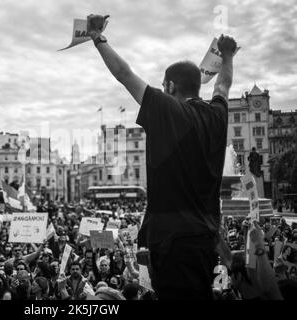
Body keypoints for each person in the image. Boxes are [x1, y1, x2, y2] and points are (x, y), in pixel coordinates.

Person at [85, 14, 237, 299]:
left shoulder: (167, 109)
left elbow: (124, 74)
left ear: (169, 87)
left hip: (171, 238)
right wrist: (228, 55)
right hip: (206, 237)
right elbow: (223, 85)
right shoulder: (218, 114)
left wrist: (97, 37)